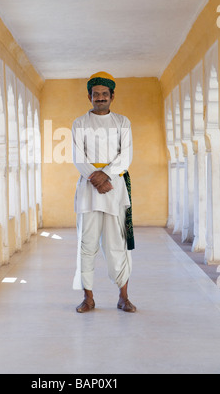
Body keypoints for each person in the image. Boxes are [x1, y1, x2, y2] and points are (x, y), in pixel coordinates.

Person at [72, 71, 136, 313]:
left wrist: (106, 175)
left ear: (112, 96)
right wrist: (97, 178)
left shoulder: (123, 122)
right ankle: (88, 298)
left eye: (104, 94)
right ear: (89, 96)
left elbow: (126, 156)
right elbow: (78, 157)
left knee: (116, 245)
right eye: (96, 94)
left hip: (114, 188)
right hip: (90, 189)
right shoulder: (79, 123)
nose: (100, 98)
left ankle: (123, 297)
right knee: (87, 244)